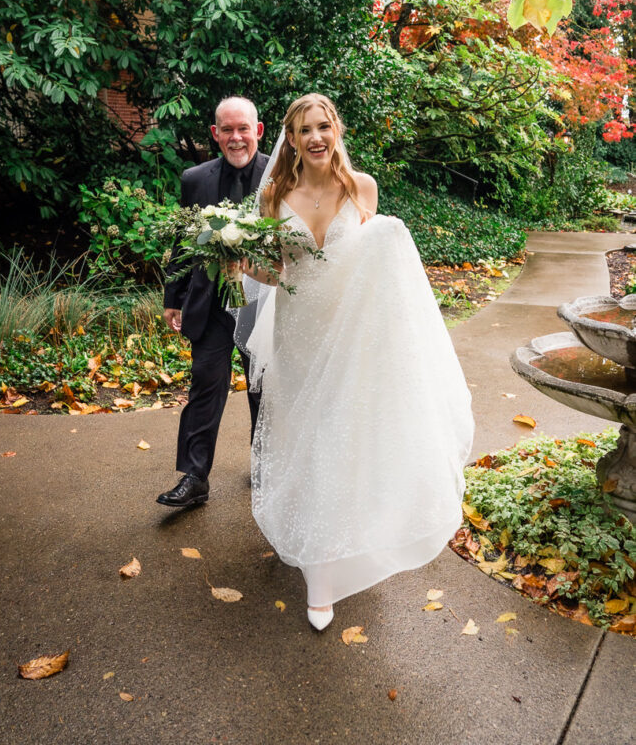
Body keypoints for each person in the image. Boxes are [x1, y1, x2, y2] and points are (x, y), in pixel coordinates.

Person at [241, 94, 474, 630]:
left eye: (323, 126)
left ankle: (325, 576)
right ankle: (315, 547)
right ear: (290, 139)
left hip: (350, 334)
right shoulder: (274, 196)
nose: (315, 137)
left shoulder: (361, 188)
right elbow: (272, 273)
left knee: (340, 440)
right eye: (304, 130)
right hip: (299, 334)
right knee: (306, 440)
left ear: (336, 131)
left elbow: (375, 265)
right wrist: (238, 260)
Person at [157, 96, 269, 511]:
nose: (236, 137)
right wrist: (173, 296)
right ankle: (194, 477)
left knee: (264, 388)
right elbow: (183, 241)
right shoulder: (194, 179)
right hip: (211, 303)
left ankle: (266, 465)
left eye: (243, 129)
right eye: (227, 130)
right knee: (205, 382)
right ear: (215, 134)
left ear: (258, 131)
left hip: (262, 305)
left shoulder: (281, 175)